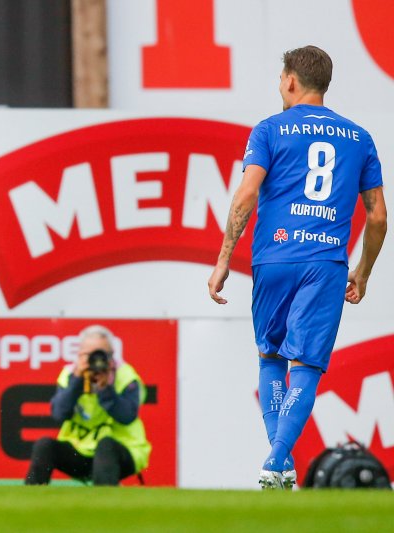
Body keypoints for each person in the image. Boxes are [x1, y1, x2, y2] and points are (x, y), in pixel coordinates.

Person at [208, 45, 387, 490]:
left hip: (274, 257)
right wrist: (362, 271)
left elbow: (246, 195)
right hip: (325, 261)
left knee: (271, 357)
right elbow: (379, 216)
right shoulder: (360, 138)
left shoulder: (269, 130)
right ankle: (276, 461)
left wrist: (224, 258)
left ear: (290, 80)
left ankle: (278, 466)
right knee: (305, 366)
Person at [25, 325, 151, 486]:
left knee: (105, 446)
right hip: (80, 450)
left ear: (112, 355)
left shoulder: (125, 376)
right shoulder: (70, 375)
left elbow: (127, 416)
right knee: (44, 446)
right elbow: (59, 413)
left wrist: (106, 390)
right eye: (90, 355)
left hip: (122, 450)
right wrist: (77, 381)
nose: (96, 361)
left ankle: (103, 504)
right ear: (79, 355)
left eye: (102, 355)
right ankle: (31, 499)